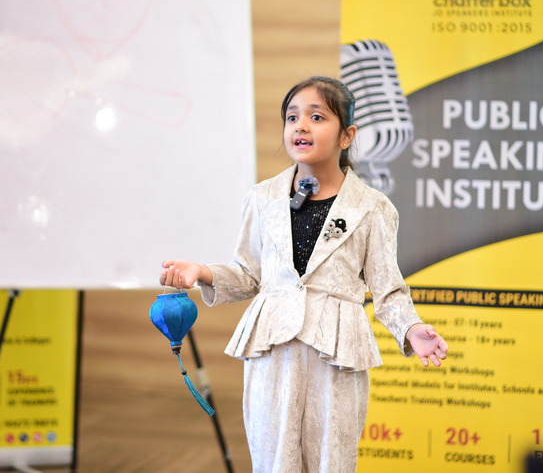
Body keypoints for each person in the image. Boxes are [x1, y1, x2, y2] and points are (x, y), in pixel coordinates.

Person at [160, 76, 448, 472]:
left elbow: (388, 290)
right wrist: (202, 272)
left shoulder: (373, 207)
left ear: (346, 136)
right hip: (271, 351)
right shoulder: (262, 198)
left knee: (333, 460)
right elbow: (249, 275)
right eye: (292, 117)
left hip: (337, 354)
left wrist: (411, 329)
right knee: (272, 460)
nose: (301, 126)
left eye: (317, 117)